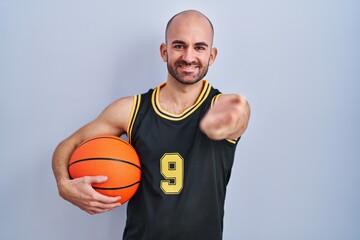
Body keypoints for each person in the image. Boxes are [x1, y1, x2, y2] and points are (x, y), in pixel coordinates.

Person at [52, 9, 250, 240]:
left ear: (212, 56)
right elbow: (68, 145)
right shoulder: (131, 110)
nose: (188, 56)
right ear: (164, 51)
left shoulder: (222, 106)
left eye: (199, 47)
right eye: (179, 46)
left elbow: (240, 112)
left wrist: (234, 118)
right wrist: (64, 185)